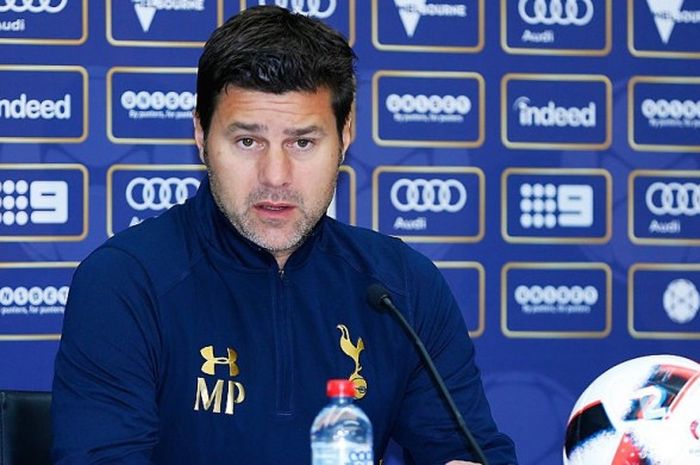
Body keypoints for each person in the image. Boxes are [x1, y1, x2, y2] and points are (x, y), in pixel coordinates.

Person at [51, 6, 518, 465]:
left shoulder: (401, 288)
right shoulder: (126, 282)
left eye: (303, 142)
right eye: (247, 141)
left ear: (346, 134)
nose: (275, 176)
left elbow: (466, 451)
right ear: (200, 133)